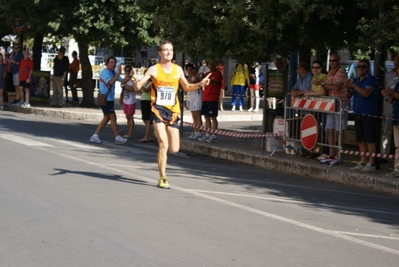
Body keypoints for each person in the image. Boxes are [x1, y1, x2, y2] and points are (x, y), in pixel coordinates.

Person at [133, 40, 210, 189]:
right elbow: (139, 86)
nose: (168, 52)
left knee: (174, 149)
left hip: (173, 111)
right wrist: (136, 81)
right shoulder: (154, 69)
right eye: (165, 50)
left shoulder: (178, 70)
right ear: (160, 53)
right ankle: (162, 177)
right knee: (163, 144)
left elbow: (187, 87)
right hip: (158, 110)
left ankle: (164, 144)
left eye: (171, 50)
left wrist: (200, 84)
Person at [345, 59, 379, 173]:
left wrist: (353, 85)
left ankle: (372, 163)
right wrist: (347, 87)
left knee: (370, 139)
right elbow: (348, 96)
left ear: (368, 68)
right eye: (358, 67)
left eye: (363, 67)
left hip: (368, 113)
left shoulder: (371, 80)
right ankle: (363, 161)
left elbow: (366, 93)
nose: (360, 69)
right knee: (360, 139)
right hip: (357, 112)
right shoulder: (356, 80)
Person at [316, 54, 348, 164]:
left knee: (339, 131)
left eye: (334, 60)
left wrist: (322, 83)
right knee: (329, 130)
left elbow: (336, 87)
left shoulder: (341, 72)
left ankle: (339, 155)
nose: (332, 62)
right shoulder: (330, 73)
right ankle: (331, 154)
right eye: (330, 61)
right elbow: (327, 88)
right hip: (331, 104)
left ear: (339, 61)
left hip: (341, 104)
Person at [90, 56, 130, 145]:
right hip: (105, 98)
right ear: (107, 63)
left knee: (106, 118)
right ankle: (117, 137)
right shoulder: (105, 72)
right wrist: (119, 73)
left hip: (110, 99)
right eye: (111, 62)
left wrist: (130, 75)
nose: (113, 64)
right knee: (113, 117)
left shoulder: (113, 72)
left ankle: (95, 135)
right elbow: (110, 82)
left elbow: (123, 81)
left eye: (114, 63)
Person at [381, 56, 399, 177]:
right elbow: (390, 101)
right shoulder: (397, 83)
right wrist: (389, 94)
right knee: (398, 144)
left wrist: (392, 93)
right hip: (396, 115)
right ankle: (397, 168)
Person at [197, 61, 224, 143]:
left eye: (211, 64)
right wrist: (201, 77)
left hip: (213, 98)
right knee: (206, 116)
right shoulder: (207, 73)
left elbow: (215, 83)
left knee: (213, 117)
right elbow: (203, 83)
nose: (210, 66)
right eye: (209, 64)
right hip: (205, 97)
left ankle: (214, 135)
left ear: (215, 65)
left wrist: (208, 80)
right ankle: (207, 133)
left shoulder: (218, 73)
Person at [185, 63, 203, 140]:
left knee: (197, 114)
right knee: (193, 115)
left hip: (198, 95)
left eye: (190, 69)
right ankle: (195, 131)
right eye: (188, 69)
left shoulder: (196, 75)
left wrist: (187, 80)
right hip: (192, 95)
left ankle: (198, 132)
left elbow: (196, 83)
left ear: (193, 69)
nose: (189, 71)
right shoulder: (189, 76)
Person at [120, 64, 136, 139]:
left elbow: (131, 89)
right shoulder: (126, 77)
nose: (127, 72)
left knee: (130, 116)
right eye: (125, 70)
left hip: (131, 100)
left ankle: (131, 133)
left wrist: (125, 86)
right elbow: (122, 82)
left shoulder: (133, 79)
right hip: (125, 99)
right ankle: (128, 132)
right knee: (127, 117)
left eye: (128, 70)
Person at [138, 70, 154, 143]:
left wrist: (139, 83)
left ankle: (146, 136)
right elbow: (139, 91)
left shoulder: (151, 83)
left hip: (148, 101)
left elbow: (145, 90)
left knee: (147, 119)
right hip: (143, 100)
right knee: (145, 119)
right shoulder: (145, 83)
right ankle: (149, 135)